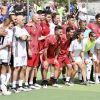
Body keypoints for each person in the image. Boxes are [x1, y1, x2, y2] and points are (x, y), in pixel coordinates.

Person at [12, 15, 31, 93]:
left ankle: (20, 85)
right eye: (23, 20)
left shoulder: (23, 29)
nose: (24, 21)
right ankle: (13, 86)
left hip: (24, 52)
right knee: (17, 68)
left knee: (23, 67)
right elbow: (23, 38)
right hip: (17, 52)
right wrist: (26, 37)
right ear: (18, 21)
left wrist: (25, 37)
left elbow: (29, 38)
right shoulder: (15, 28)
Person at [25, 14, 42, 89]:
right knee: (29, 67)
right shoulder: (28, 26)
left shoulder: (39, 27)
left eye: (39, 18)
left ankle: (31, 83)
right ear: (33, 18)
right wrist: (28, 49)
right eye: (37, 18)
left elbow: (38, 38)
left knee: (34, 67)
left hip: (37, 50)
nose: (39, 19)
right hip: (31, 49)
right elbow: (27, 39)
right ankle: (26, 83)